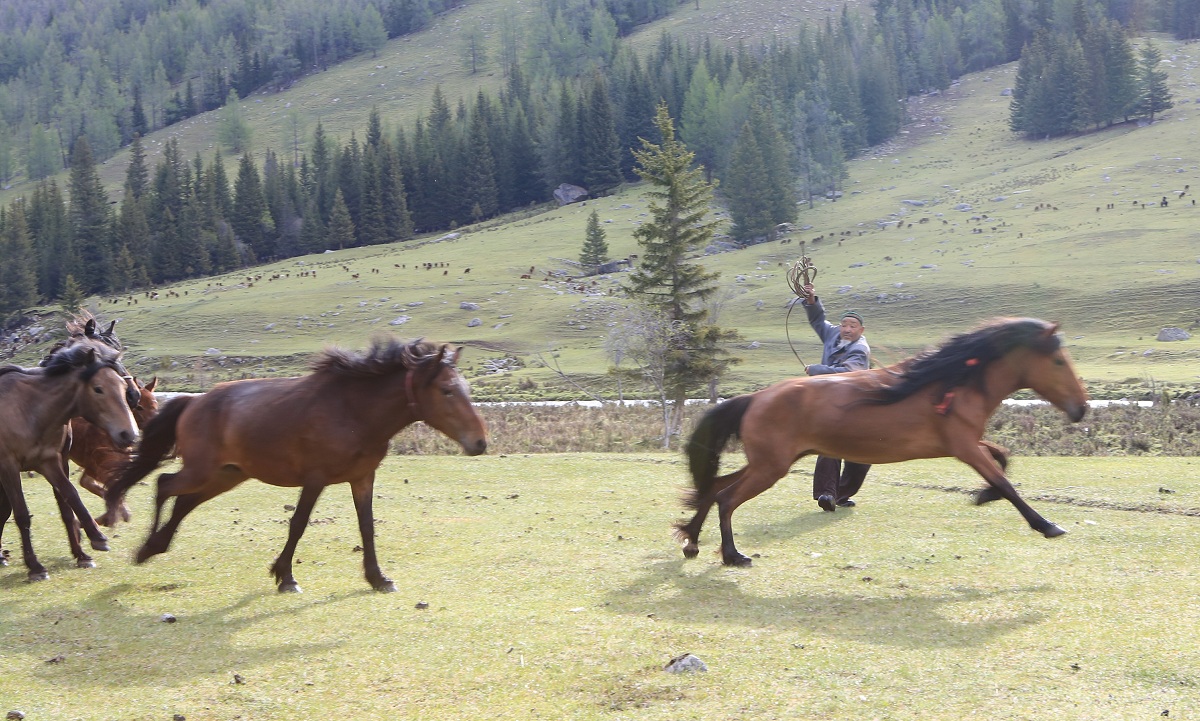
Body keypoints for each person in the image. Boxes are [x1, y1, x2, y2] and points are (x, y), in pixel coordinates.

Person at [799, 282, 871, 512]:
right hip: (828, 402)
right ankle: (826, 493)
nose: (847, 329)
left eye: (853, 325)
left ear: (861, 330)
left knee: (863, 454)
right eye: (844, 324)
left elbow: (849, 373)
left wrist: (817, 369)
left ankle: (841, 493)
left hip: (855, 404)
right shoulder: (833, 334)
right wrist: (811, 300)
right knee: (830, 445)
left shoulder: (860, 349)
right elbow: (818, 320)